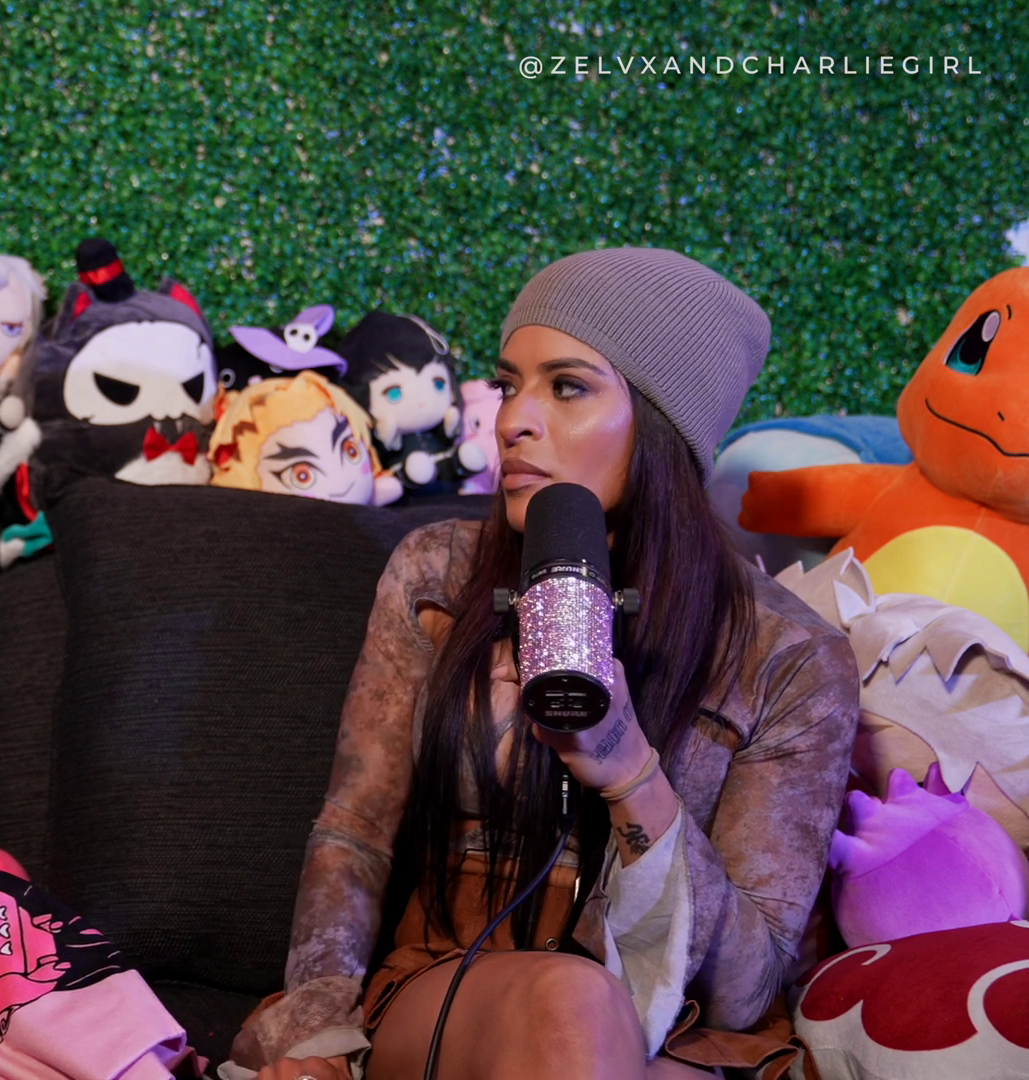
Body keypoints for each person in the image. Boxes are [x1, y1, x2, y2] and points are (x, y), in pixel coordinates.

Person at [233, 248, 858, 1079]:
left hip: (686, 1027)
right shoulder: (438, 577)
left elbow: (745, 990)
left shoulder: (790, 658)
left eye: (566, 387)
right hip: (459, 989)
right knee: (571, 1004)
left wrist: (626, 766)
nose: (511, 421)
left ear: (663, 428)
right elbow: (355, 834)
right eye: (508, 383)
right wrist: (315, 1033)